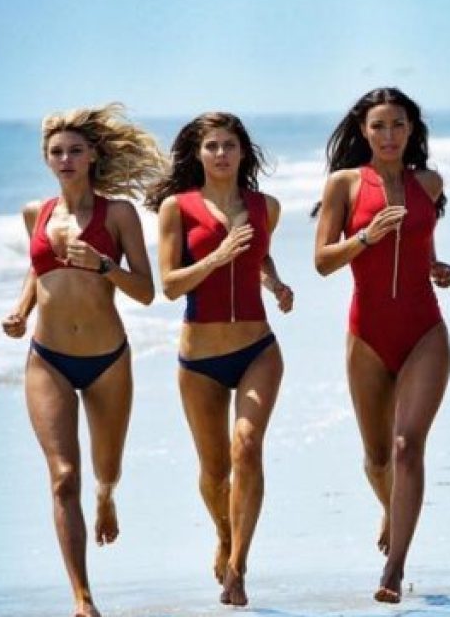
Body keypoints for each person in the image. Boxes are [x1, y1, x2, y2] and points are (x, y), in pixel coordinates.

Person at [1, 104, 164, 617]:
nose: (66, 159)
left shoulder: (118, 215)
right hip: (47, 359)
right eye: (57, 152)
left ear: (92, 156)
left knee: (105, 469)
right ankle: (83, 597)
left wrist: (104, 264)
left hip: (107, 360)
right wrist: (21, 310)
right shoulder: (36, 213)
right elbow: (38, 270)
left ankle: (107, 496)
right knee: (63, 476)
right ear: (47, 159)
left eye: (75, 150)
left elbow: (146, 291)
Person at [312, 87, 450, 603]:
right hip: (368, 336)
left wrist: (437, 266)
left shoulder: (429, 183)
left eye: (398, 125)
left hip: (425, 332)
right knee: (377, 458)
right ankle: (390, 511)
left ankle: (394, 569)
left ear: (411, 129)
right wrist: (366, 237)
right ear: (363, 131)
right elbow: (322, 261)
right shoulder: (344, 185)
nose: (389, 135)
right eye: (378, 126)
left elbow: (421, 242)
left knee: (406, 446)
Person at [146, 112, 294, 606]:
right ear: (198, 153)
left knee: (247, 447)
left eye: (229, 145)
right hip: (200, 360)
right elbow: (170, 285)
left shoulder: (265, 206)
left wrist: (275, 283)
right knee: (213, 471)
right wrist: (217, 256)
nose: (221, 154)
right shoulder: (177, 208)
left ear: (243, 151)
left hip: (258, 349)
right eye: (211, 146)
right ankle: (224, 534)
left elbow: (259, 254)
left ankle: (238, 568)